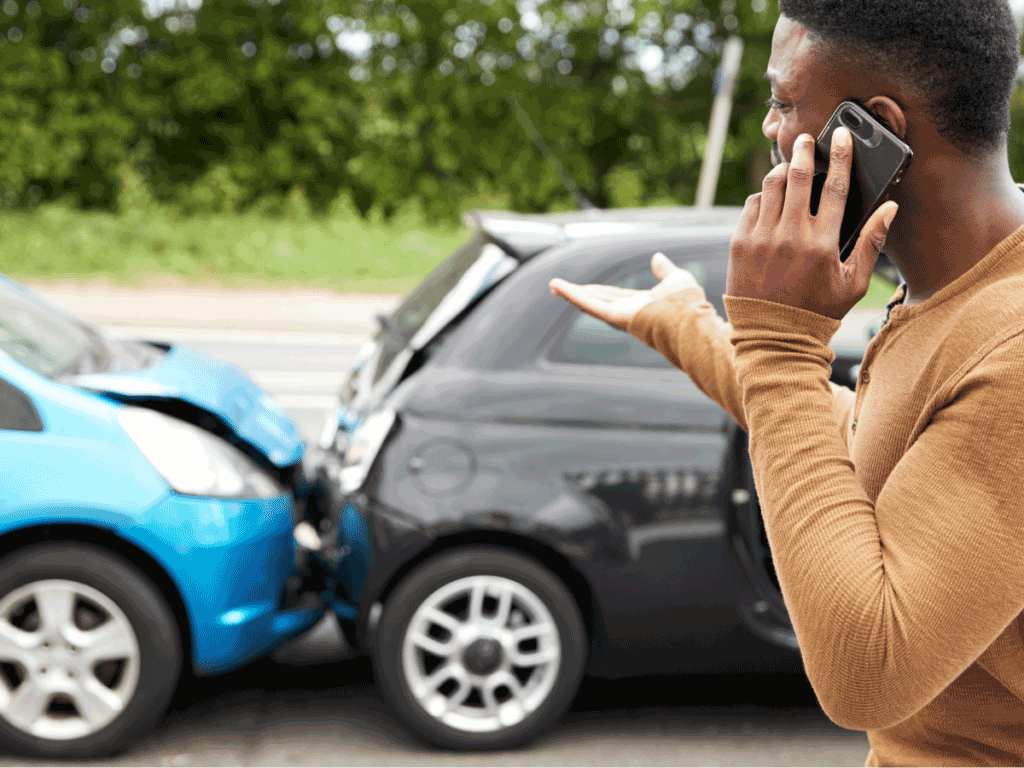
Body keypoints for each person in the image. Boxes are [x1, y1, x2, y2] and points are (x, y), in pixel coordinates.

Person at [550, 1, 1024, 765]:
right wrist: (693, 331)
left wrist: (780, 342)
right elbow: (880, 447)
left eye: (782, 100)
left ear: (872, 127)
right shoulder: (958, 292)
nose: (770, 129)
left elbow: (868, 673)